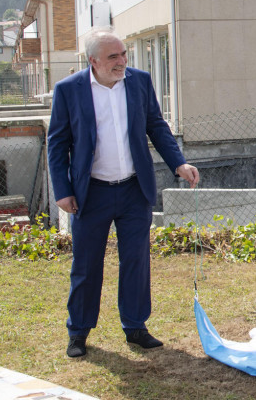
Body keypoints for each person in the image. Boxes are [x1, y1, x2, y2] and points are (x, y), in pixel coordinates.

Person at [48, 30, 200, 358]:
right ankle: (78, 331)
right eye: (113, 57)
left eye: (123, 54)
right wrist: (62, 190)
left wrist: (179, 163)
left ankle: (135, 327)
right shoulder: (68, 90)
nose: (122, 62)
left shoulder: (139, 81)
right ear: (93, 62)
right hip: (91, 193)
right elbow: (57, 144)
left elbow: (156, 126)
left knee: (135, 261)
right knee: (86, 265)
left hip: (134, 189)